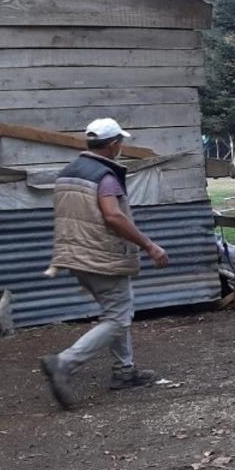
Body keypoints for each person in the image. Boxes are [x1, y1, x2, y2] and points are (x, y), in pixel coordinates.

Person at [39, 118, 170, 410]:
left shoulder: (68, 173)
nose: (120, 147)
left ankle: (124, 371)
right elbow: (113, 216)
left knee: (116, 311)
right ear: (113, 145)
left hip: (73, 256)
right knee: (119, 318)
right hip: (100, 257)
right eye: (120, 142)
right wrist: (149, 245)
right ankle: (63, 363)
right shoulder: (105, 177)